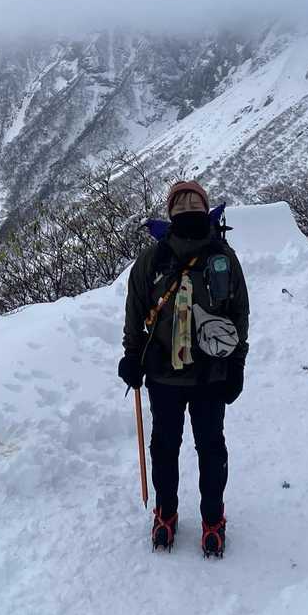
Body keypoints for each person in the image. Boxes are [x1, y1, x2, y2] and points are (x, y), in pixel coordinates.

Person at [117, 180, 249, 557]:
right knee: (188, 447)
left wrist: (237, 362)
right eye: (182, 203)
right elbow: (135, 311)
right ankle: (188, 516)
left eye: (193, 202)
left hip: (191, 373)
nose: (188, 207)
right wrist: (132, 354)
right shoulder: (166, 259)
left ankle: (191, 517)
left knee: (190, 447)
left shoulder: (210, 257)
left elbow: (238, 312)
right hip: (190, 373)